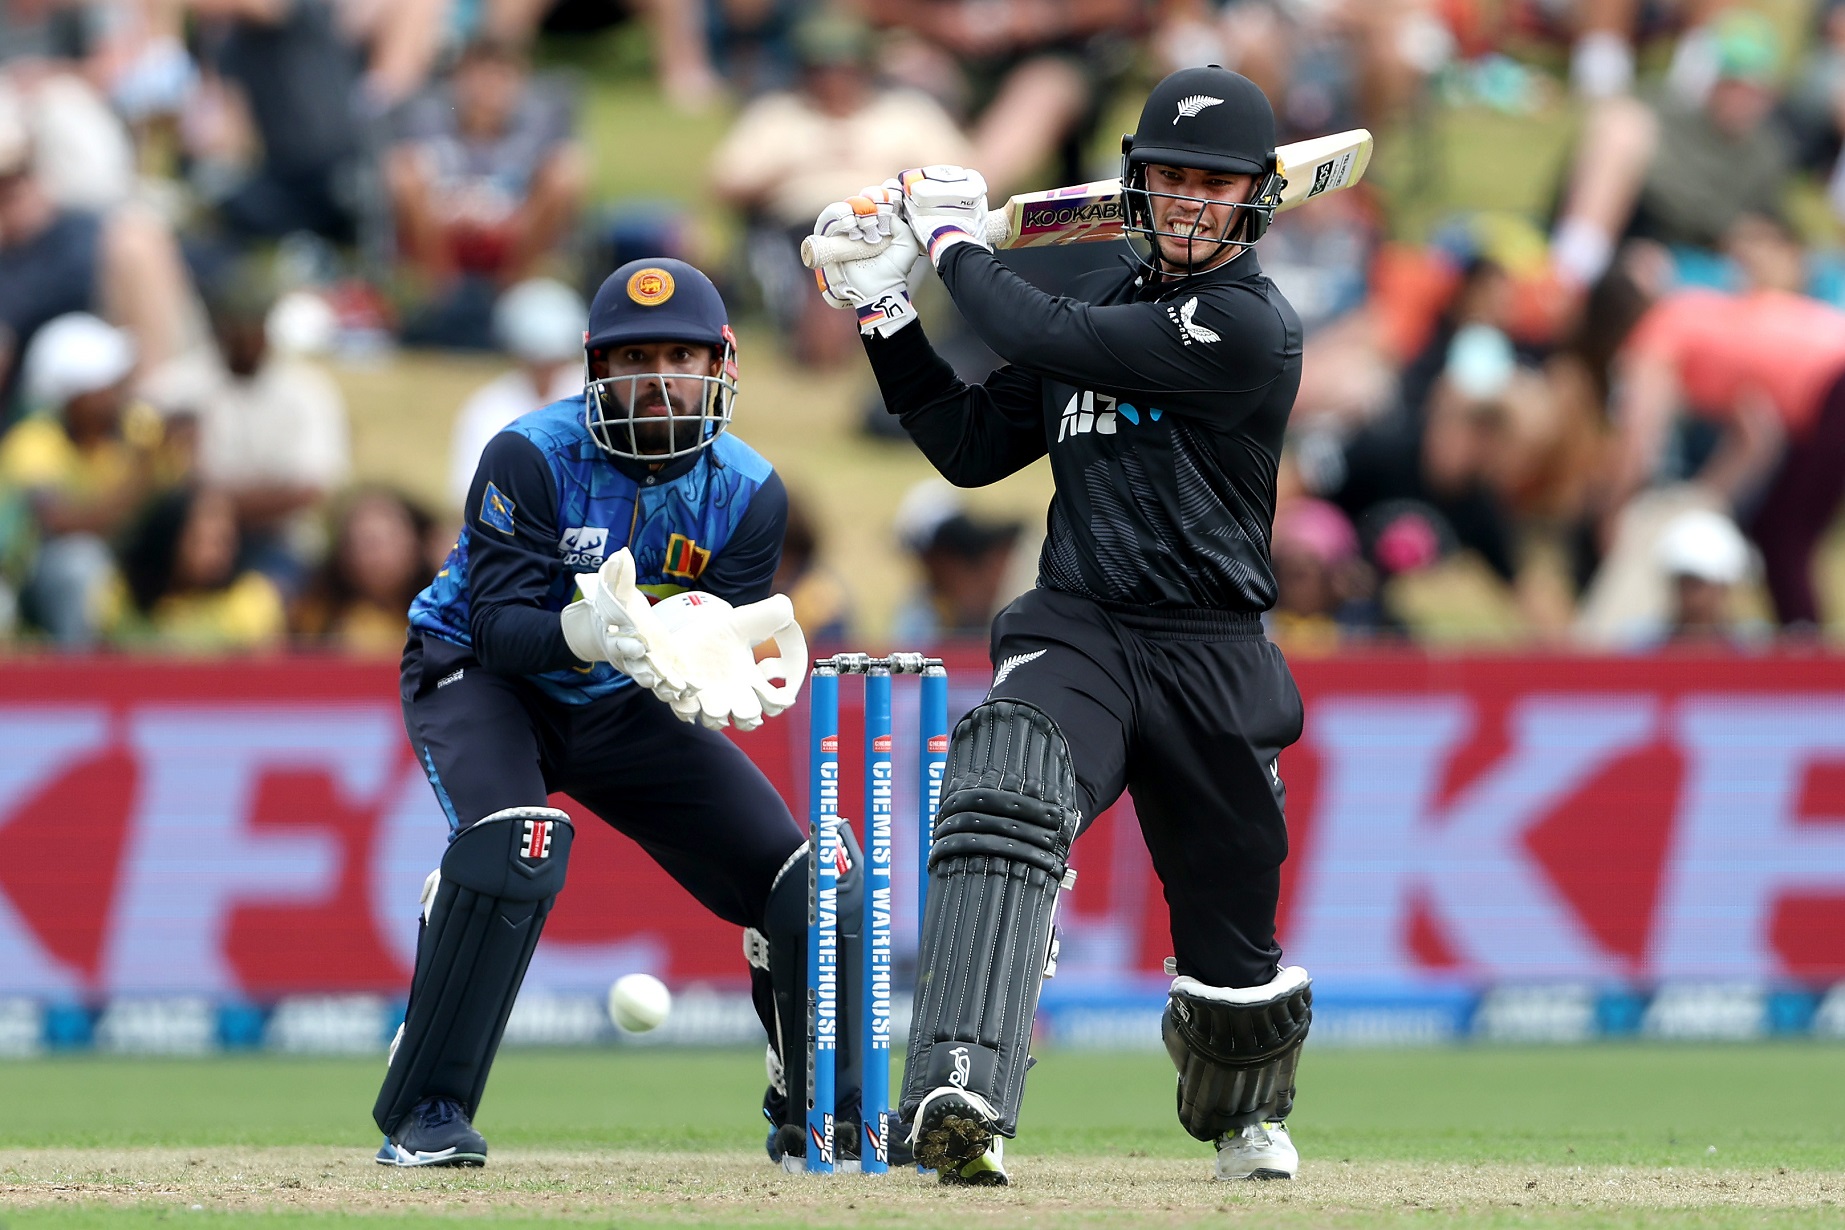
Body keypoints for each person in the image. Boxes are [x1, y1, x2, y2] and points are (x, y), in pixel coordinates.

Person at [812, 65, 1314, 1184]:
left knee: (1236, 976)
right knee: (1005, 785)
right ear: (1134, 186)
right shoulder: (1092, 312)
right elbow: (971, 447)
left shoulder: (1250, 326)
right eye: (1171, 179)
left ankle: (1242, 1106)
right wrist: (885, 314)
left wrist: (950, 245)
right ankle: (960, 1090)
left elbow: (1027, 319)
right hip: (1081, 626)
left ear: (1255, 201)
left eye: (1214, 185)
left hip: (1212, 649)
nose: (1189, 203)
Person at [373, 258, 825, 1171]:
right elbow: (498, 631)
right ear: (594, 371)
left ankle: (811, 1104)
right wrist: (585, 632)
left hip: (620, 702)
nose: (657, 380)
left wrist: (700, 666)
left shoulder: (751, 493)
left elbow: (712, 636)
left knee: (795, 878)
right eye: (631, 359)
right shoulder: (528, 455)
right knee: (515, 843)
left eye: (679, 356)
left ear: (723, 364)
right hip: (483, 677)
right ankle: (428, 1108)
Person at [446, 278, 586, 509]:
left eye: (553, 359)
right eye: (535, 358)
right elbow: (468, 492)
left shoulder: (596, 394)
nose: (545, 369)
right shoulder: (487, 407)